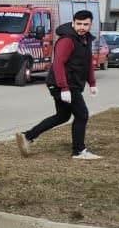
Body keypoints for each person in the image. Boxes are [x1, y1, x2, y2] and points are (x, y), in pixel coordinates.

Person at [16, 9, 101, 161]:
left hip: (71, 84)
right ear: (73, 23)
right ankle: (79, 151)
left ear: (91, 24)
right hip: (62, 84)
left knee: (62, 116)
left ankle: (27, 136)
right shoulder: (67, 40)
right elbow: (58, 64)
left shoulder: (86, 40)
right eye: (79, 24)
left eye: (86, 24)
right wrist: (64, 88)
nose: (82, 27)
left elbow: (87, 64)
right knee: (82, 115)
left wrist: (92, 83)